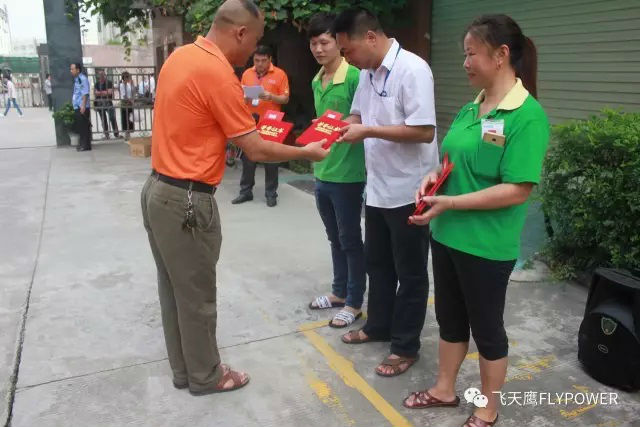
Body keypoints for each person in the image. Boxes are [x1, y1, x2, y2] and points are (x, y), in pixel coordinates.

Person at [141, 0, 328, 396]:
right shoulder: (218, 73)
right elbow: (256, 149)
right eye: (257, 40)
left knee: (173, 290)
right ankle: (207, 377)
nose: (255, 52)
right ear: (240, 33)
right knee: (197, 297)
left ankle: (186, 371)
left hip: (158, 191)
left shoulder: (181, 58)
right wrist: (305, 153)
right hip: (188, 200)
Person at [402, 15, 549, 427]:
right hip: (447, 235)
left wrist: (449, 202)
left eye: (471, 54)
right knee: (449, 319)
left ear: (501, 55)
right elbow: (454, 158)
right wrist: (436, 176)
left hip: (486, 244)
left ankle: (488, 407)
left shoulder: (526, 116)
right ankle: (444, 389)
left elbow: (517, 189)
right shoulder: (475, 105)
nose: (464, 62)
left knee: (487, 328)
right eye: (463, 54)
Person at [333, 8, 439, 378]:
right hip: (377, 188)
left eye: (348, 51)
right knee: (378, 264)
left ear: (371, 38)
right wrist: (333, 127)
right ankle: (379, 325)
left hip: (411, 188)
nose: (347, 59)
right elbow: (358, 116)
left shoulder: (413, 69)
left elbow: (423, 130)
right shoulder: (367, 73)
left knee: (410, 273)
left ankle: (405, 346)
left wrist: (368, 132)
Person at [305, 12, 366, 329]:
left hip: (349, 174)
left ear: (339, 44)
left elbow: (365, 120)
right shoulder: (317, 79)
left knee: (351, 239)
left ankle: (355, 301)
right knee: (334, 238)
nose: (318, 48)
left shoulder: (355, 77)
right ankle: (339, 292)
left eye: (324, 42)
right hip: (323, 170)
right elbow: (324, 124)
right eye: (313, 43)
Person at [232, 44, 289, 207]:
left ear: (270, 60)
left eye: (263, 61)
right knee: (248, 158)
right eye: (257, 60)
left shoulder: (280, 74)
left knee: (271, 160)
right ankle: (245, 192)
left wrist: (270, 96)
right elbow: (241, 97)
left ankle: (271, 194)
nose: (260, 64)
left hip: (272, 122)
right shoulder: (247, 74)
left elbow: (285, 99)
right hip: (251, 122)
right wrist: (245, 96)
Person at [70, 63, 91, 151]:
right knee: (81, 127)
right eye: (70, 69)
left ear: (78, 70)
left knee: (84, 127)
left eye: (72, 69)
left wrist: (83, 106)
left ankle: (86, 145)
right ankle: (82, 144)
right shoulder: (77, 79)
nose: (71, 71)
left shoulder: (82, 79)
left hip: (82, 107)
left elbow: (85, 93)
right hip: (77, 106)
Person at [94, 69, 120, 139]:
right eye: (100, 75)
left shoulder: (109, 82)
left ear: (105, 75)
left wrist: (100, 93)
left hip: (108, 102)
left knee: (112, 118)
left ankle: (116, 133)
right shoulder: (97, 84)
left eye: (102, 74)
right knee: (103, 119)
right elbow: (95, 93)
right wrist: (104, 92)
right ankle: (106, 134)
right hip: (100, 103)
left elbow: (110, 92)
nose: (101, 76)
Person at [119, 71, 135, 140]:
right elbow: (124, 95)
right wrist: (130, 100)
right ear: (124, 78)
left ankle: (129, 132)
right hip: (125, 103)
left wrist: (132, 84)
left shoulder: (129, 85)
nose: (128, 78)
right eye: (127, 77)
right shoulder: (121, 85)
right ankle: (126, 133)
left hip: (130, 103)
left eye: (128, 77)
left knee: (130, 118)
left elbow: (133, 91)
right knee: (125, 118)